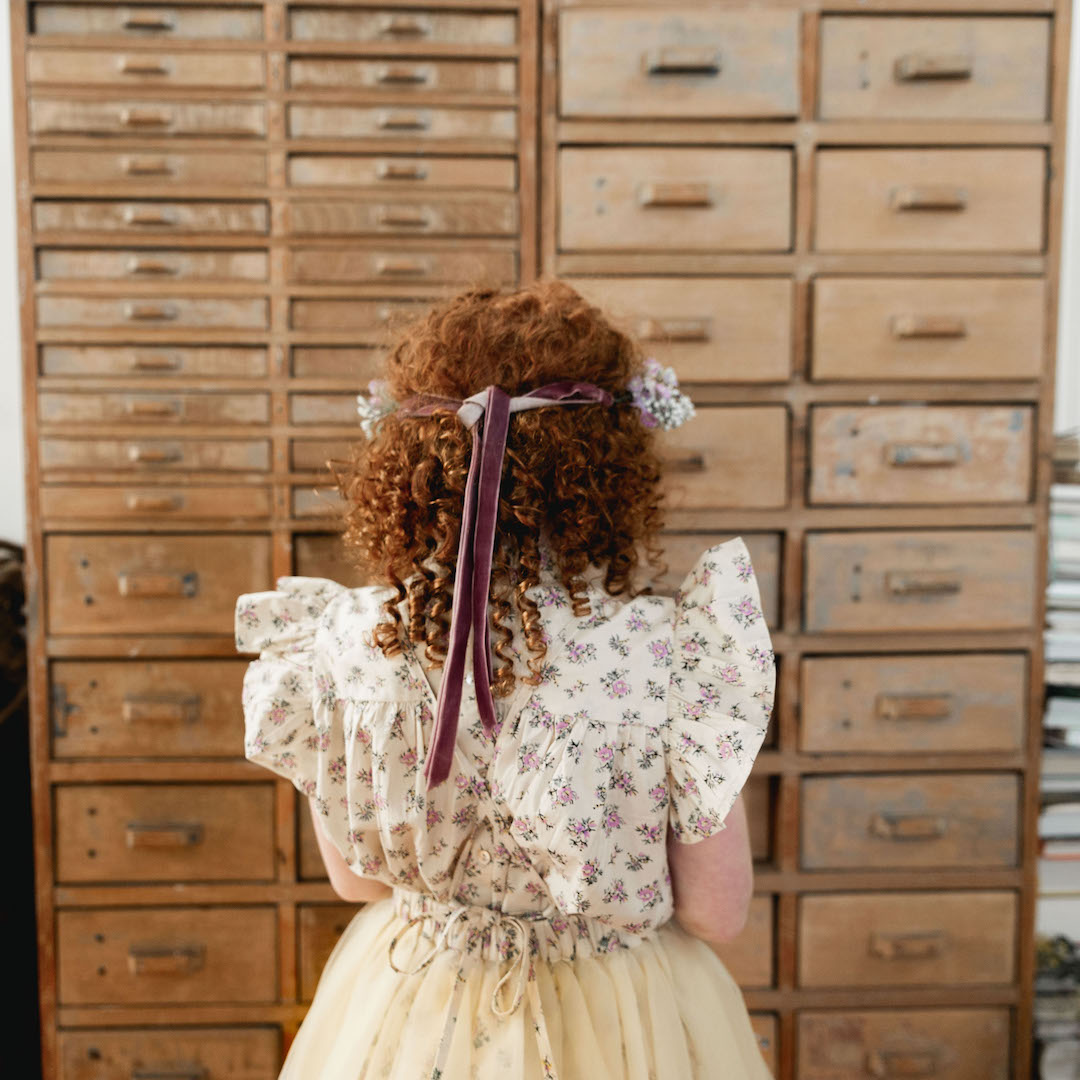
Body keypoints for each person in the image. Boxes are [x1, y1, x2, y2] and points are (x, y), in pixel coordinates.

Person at [234, 279, 776, 1079]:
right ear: (607, 466)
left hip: (414, 1007)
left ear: (411, 461)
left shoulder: (343, 640)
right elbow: (718, 912)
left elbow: (356, 882)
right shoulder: (669, 653)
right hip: (623, 1017)